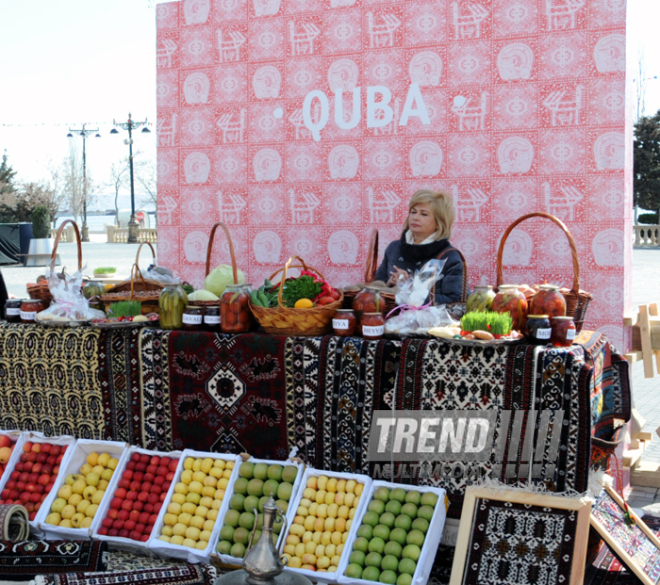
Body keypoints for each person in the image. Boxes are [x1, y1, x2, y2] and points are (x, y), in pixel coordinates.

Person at [375, 189, 464, 305]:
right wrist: (389, 283)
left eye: (424, 214)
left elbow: (457, 301)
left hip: (431, 322)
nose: (415, 217)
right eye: (413, 212)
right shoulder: (394, 248)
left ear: (439, 223)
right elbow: (373, 290)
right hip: (390, 320)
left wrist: (411, 289)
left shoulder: (449, 256)